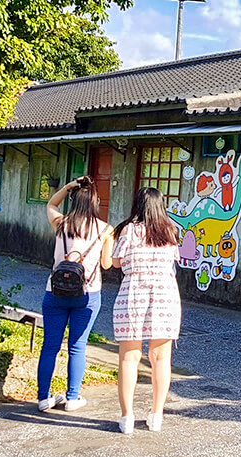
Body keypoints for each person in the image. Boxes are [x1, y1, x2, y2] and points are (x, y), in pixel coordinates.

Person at [106, 187, 182, 434]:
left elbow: (115, 262)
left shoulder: (128, 230)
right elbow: (174, 260)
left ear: (138, 204)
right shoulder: (170, 231)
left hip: (133, 292)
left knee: (129, 357)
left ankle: (127, 416)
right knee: (161, 359)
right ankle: (156, 415)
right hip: (165, 294)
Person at [38, 176, 114, 412]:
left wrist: (68, 187)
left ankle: (43, 398)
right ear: (95, 203)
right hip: (88, 295)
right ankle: (72, 398)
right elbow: (106, 264)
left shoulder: (61, 223)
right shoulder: (105, 229)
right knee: (77, 346)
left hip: (55, 292)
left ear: (73, 200)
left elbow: (50, 205)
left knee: (50, 346)